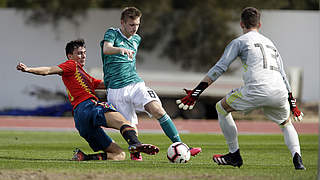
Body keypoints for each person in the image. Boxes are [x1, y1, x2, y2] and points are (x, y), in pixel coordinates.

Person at [176, 7, 305, 170]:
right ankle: (298, 160)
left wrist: (196, 92)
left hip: (256, 89)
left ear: (241, 24)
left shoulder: (240, 41)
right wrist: (292, 102)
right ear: (260, 24)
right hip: (279, 91)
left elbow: (219, 68)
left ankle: (234, 155)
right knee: (286, 123)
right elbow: (283, 74)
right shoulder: (271, 44)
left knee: (221, 108)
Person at [16, 39, 159, 161]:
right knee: (126, 123)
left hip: (80, 121)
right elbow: (48, 70)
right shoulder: (71, 65)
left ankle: (83, 157)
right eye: (79, 53)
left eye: (84, 53)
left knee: (119, 154)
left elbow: (106, 84)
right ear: (69, 56)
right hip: (89, 107)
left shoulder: (87, 77)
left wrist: (126, 78)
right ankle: (135, 144)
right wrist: (28, 69)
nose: (83, 56)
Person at [100, 6, 201, 161]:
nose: (135, 29)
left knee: (158, 110)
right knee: (130, 127)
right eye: (131, 25)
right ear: (122, 23)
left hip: (136, 84)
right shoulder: (112, 33)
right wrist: (121, 50)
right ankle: (136, 154)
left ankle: (181, 145)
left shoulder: (136, 39)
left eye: (137, 25)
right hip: (116, 89)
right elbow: (106, 49)